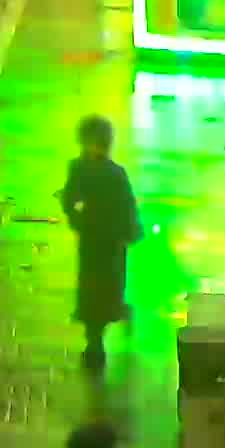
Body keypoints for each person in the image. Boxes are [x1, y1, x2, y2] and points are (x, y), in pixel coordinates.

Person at [60, 116, 138, 369]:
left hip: (101, 238)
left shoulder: (84, 169)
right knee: (103, 283)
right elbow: (127, 205)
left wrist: (77, 219)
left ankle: (97, 334)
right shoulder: (111, 172)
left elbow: (70, 199)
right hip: (105, 239)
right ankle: (99, 331)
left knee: (99, 284)